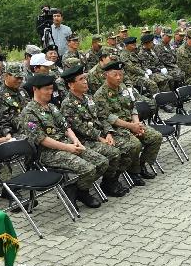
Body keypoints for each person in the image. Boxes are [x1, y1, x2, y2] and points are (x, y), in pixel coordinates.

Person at [19, 74, 107, 209]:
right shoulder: (29, 112)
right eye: (46, 89)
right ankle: (79, 191)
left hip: (67, 144)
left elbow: (65, 126)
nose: (50, 92)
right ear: (35, 89)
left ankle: (77, 190)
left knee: (102, 162)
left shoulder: (52, 107)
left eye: (51, 89)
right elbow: (42, 139)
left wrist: (76, 141)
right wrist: (68, 147)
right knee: (88, 169)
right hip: (48, 152)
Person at [60, 65, 130, 196]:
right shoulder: (68, 104)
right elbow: (82, 128)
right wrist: (101, 138)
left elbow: (101, 117)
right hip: (85, 141)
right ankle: (79, 189)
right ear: (71, 85)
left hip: (100, 136)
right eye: (81, 79)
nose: (85, 81)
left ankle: (110, 181)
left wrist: (108, 133)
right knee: (114, 153)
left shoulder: (89, 98)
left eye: (85, 78)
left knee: (128, 147)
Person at [92, 60, 161, 183]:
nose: (119, 78)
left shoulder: (123, 87)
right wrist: (131, 126)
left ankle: (142, 165)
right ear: (106, 75)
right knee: (135, 145)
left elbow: (132, 106)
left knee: (156, 137)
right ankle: (134, 172)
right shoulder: (100, 94)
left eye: (121, 74)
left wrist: (137, 124)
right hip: (117, 128)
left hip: (131, 123)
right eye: (115, 75)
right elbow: (108, 117)